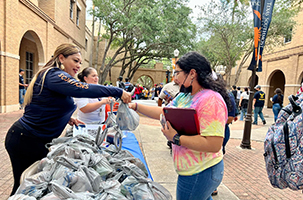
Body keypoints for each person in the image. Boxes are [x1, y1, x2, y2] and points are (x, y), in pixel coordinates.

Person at [5, 43, 131, 196]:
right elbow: (82, 88)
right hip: (26, 139)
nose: (78, 65)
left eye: (80, 62)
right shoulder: (54, 75)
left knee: (32, 186)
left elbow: (46, 104)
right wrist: (118, 91)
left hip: (36, 140)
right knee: (24, 188)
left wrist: (67, 118)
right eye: (75, 60)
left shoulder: (53, 76)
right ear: (61, 58)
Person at [129, 52, 231, 200]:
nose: (174, 78)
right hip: (191, 171)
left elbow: (214, 144)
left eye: (177, 73)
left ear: (192, 73)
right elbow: (163, 112)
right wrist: (136, 106)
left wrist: (176, 138)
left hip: (201, 171)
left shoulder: (211, 100)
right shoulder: (185, 96)